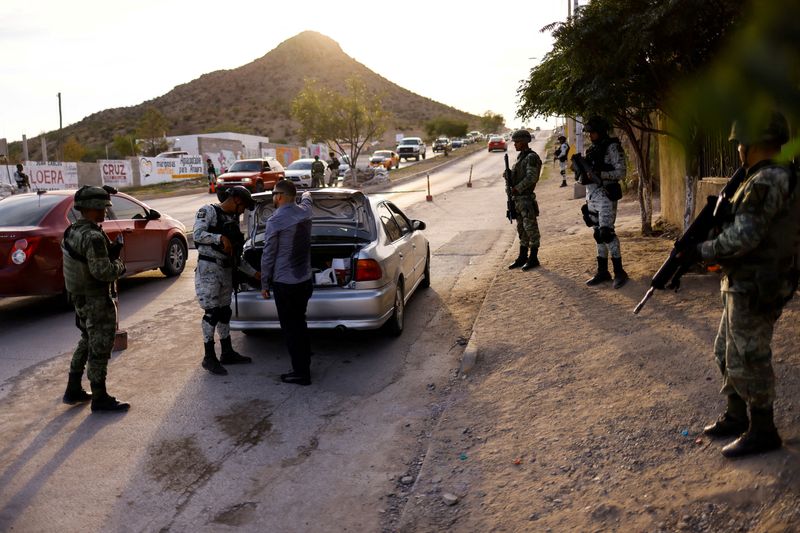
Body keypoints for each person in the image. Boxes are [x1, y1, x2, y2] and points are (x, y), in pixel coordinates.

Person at [698, 111, 798, 458]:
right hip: (744, 279)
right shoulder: (757, 177)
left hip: (758, 282)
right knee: (727, 349)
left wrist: (704, 250)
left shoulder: (767, 179)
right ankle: (736, 415)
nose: (738, 149)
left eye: (740, 143)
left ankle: (763, 429)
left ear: (752, 144)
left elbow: (745, 236)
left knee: (750, 355)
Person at [61, 186, 129, 412]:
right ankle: (100, 397)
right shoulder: (92, 236)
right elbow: (103, 272)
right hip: (96, 299)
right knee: (99, 346)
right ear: (90, 208)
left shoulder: (72, 231)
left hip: (79, 297)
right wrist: (118, 264)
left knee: (87, 339)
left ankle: (73, 389)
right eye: (101, 208)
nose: (105, 212)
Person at [194, 185, 260, 375]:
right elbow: (197, 234)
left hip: (226, 270)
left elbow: (236, 256)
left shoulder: (231, 220)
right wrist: (219, 237)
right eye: (244, 207)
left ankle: (227, 352)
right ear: (237, 200)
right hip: (209, 270)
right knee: (212, 313)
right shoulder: (208, 211)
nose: (244, 211)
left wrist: (254, 273)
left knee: (224, 312)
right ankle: (209, 357)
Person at [260, 180, 314, 386]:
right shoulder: (305, 212)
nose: (273, 197)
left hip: (286, 283)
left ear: (280, 196)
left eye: (274, 194)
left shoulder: (276, 220)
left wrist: (264, 284)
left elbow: (268, 255)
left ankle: (301, 373)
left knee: (292, 329)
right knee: (300, 322)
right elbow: (308, 200)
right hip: (305, 280)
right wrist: (307, 193)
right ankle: (305, 362)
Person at [582, 116, 628, 289]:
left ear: (600, 131)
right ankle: (602, 271)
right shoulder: (593, 149)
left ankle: (619, 272)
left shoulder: (612, 147)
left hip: (607, 195)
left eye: (592, 132)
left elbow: (621, 172)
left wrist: (600, 174)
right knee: (597, 235)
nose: (590, 136)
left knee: (606, 233)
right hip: (592, 196)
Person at [506, 129, 543, 271]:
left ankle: (533, 258)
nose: (515, 145)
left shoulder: (531, 157)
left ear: (525, 142)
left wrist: (517, 188)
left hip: (526, 199)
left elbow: (531, 178)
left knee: (531, 228)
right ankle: (522, 256)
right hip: (518, 200)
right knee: (521, 229)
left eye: (517, 142)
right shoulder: (521, 157)